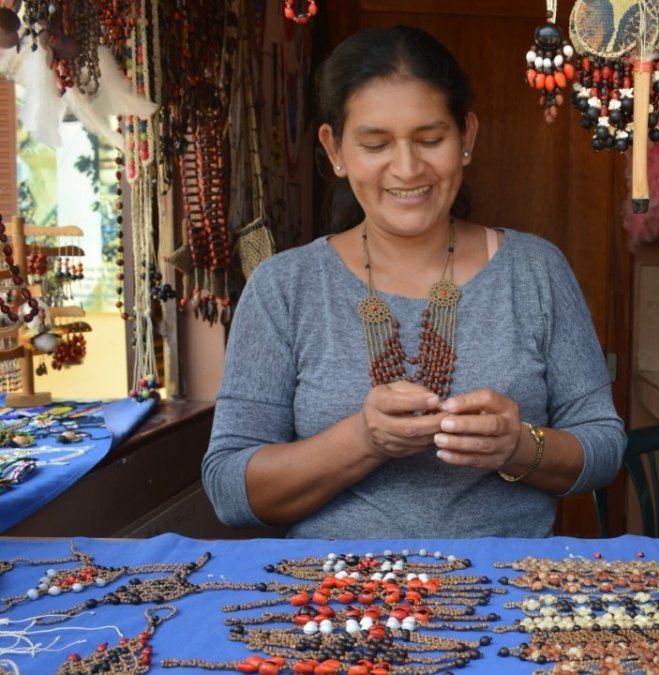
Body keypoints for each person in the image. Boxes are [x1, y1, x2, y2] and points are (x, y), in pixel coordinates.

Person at [202, 25, 625, 539]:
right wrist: (362, 440)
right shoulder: (285, 288)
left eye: (430, 140)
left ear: (466, 137)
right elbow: (229, 489)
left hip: (505, 579)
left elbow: (603, 447)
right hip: (332, 583)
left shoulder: (535, 271)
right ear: (334, 149)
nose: (406, 168)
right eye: (375, 144)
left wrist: (518, 446)